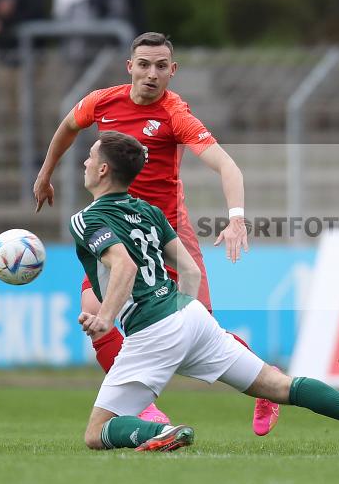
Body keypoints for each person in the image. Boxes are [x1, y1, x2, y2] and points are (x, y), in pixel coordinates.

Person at [74, 131, 339, 456]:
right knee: (279, 385)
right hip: (190, 315)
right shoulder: (149, 211)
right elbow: (191, 269)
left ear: (103, 169)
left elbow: (125, 267)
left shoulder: (87, 219)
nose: (85, 163)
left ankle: (161, 432)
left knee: (96, 432)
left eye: (90, 157)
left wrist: (106, 319)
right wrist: (184, 319)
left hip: (152, 329)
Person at [33, 32, 279, 436]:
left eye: (161, 66)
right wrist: (45, 175)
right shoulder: (103, 101)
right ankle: (143, 408)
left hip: (166, 233)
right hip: (113, 230)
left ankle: (267, 386)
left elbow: (227, 166)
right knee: (96, 313)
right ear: (129, 66)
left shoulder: (175, 114)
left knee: (201, 331)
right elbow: (66, 127)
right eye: (144, 64)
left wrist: (236, 217)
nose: (151, 74)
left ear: (172, 71)